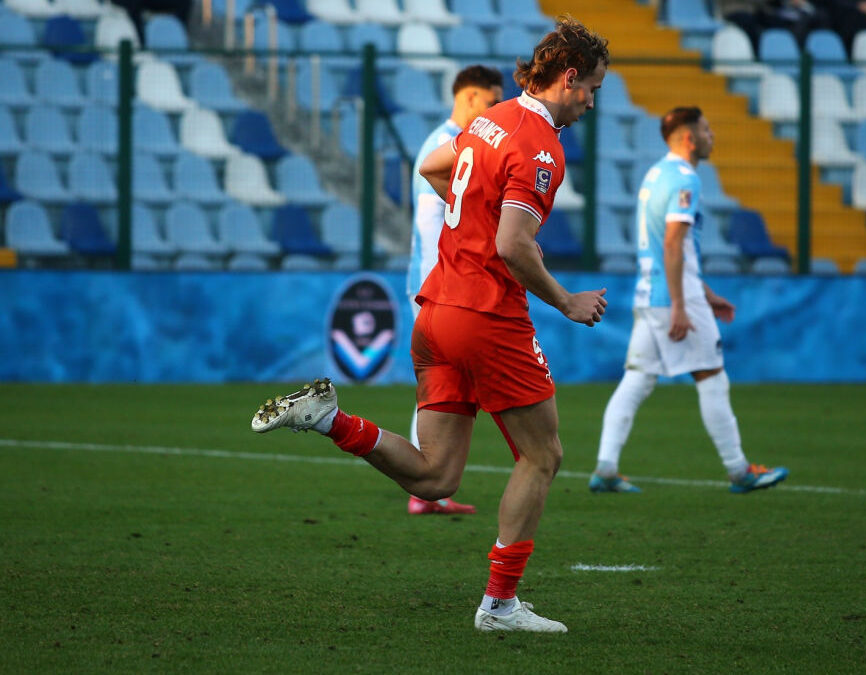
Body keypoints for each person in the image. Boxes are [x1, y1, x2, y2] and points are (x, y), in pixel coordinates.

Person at [251, 16, 610, 633]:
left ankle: (331, 419)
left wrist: (468, 215)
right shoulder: (541, 144)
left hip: (435, 310)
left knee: (437, 475)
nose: (592, 102)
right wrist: (565, 300)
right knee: (542, 454)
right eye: (592, 88)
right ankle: (499, 606)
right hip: (486, 317)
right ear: (568, 77)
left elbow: (434, 168)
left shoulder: (487, 118)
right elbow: (515, 245)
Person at [589, 106, 789, 495]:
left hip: (651, 292)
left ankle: (606, 468)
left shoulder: (655, 174)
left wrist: (706, 294)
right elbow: (673, 242)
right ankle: (739, 471)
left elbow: (679, 249)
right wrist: (682, 304)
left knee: (637, 379)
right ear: (689, 138)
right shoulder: (686, 179)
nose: (712, 135)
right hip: (671, 297)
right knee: (712, 376)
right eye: (707, 128)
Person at [404, 65, 504, 516]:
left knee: (443, 386)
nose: (496, 110)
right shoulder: (443, 146)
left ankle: (426, 487)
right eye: (490, 101)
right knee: (442, 387)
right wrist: (437, 288)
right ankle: (425, 485)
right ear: (467, 98)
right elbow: (430, 223)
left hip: (443, 285)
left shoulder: (460, 143)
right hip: (438, 285)